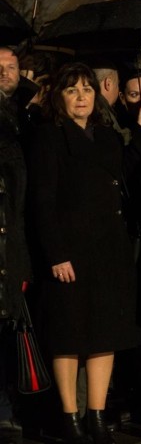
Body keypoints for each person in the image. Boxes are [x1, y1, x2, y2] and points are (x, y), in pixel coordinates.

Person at [27, 62, 141, 444]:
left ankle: (95, 413)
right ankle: (69, 416)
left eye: (88, 89)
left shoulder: (108, 138)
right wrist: (56, 253)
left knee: (102, 333)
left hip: (108, 249)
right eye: (72, 90)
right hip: (68, 252)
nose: (81, 97)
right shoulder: (48, 137)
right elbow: (42, 202)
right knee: (68, 334)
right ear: (60, 96)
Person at [0, 91, 31, 444]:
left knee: (6, 331)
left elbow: (20, 197)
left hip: (8, 245)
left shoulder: (12, 134)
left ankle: (5, 408)